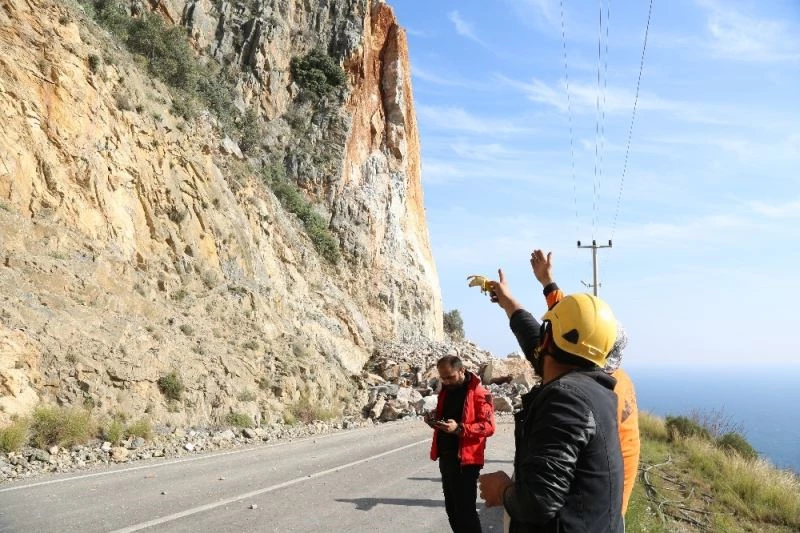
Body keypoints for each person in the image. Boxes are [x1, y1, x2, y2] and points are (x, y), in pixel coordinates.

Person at [479, 270, 624, 533]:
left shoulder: (565, 399)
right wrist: (507, 300)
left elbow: (538, 501)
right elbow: (530, 333)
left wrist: (502, 490)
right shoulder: (594, 388)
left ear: (548, 338)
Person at [530, 249, 640, 516]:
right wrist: (547, 282)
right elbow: (573, 327)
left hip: (599, 504)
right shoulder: (610, 375)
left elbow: (543, 495)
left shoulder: (596, 391)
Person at [426, 355, 496, 533]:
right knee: (452, 511)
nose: (447, 381)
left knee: (466, 513)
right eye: (443, 378)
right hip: (447, 458)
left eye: (450, 377)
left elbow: (488, 427)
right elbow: (447, 413)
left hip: (466, 462)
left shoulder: (479, 393)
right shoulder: (447, 390)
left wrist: (459, 429)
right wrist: (433, 418)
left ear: (462, 370)